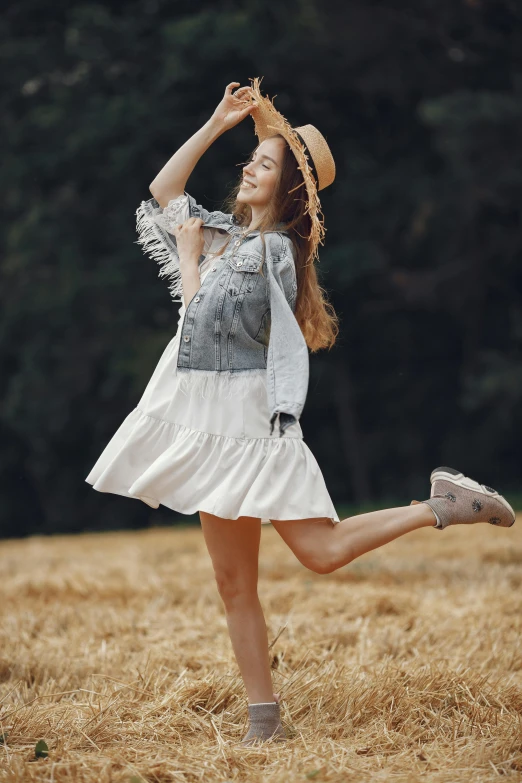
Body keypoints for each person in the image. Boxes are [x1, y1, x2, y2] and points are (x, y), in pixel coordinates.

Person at [85, 79, 516, 746]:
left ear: (288, 190)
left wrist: (192, 257)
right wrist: (218, 122)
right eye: (249, 161)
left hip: (244, 426)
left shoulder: (274, 253)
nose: (248, 169)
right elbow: (163, 192)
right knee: (233, 582)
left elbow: (201, 318)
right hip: (207, 422)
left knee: (321, 551)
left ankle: (440, 505)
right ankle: (266, 722)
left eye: (264, 163)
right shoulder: (229, 237)